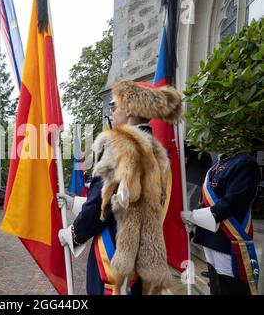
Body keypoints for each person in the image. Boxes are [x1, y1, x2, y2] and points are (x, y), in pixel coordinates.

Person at [58, 80, 183, 295]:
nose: (113, 112)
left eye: (114, 106)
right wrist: (76, 203)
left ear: (129, 111)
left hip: (116, 249)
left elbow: (103, 202)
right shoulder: (157, 149)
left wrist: (74, 233)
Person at [181, 152, 261, 294]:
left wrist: (199, 216)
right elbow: (206, 198)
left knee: (229, 287)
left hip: (227, 237)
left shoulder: (246, 163)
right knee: (216, 286)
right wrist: (194, 216)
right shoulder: (219, 161)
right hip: (209, 235)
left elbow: (234, 200)